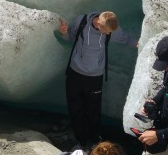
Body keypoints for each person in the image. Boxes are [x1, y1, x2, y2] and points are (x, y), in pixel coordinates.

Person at [58, 10, 138, 147]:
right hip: (75, 73)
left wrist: (139, 44)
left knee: (93, 111)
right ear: (98, 23)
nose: (108, 34)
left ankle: (95, 140)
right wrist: (64, 33)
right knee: (75, 109)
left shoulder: (112, 29)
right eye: (106, 31)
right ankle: (81, 141)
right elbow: (70, 38)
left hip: (95, 77)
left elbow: (125, 39)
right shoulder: (82, 21)